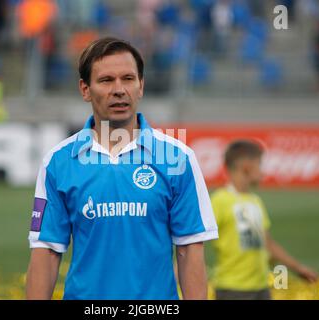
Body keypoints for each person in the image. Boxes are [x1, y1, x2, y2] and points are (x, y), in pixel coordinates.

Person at [26, 37, 218, 300]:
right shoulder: (58, 162)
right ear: (85, 89)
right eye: (106, 80)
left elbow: (189, 251)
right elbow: (47, 252)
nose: (119, 89)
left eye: (128, 79)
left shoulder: (178, 158)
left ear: (141, 86)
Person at [210, 140, 319, 300]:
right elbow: (195, 240)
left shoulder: (255, 201)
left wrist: (298, 268)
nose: (263, 172)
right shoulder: (219, 200)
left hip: (261, 288)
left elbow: (268, 244)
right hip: (232, 289)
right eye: (260, 165)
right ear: (246, 167)